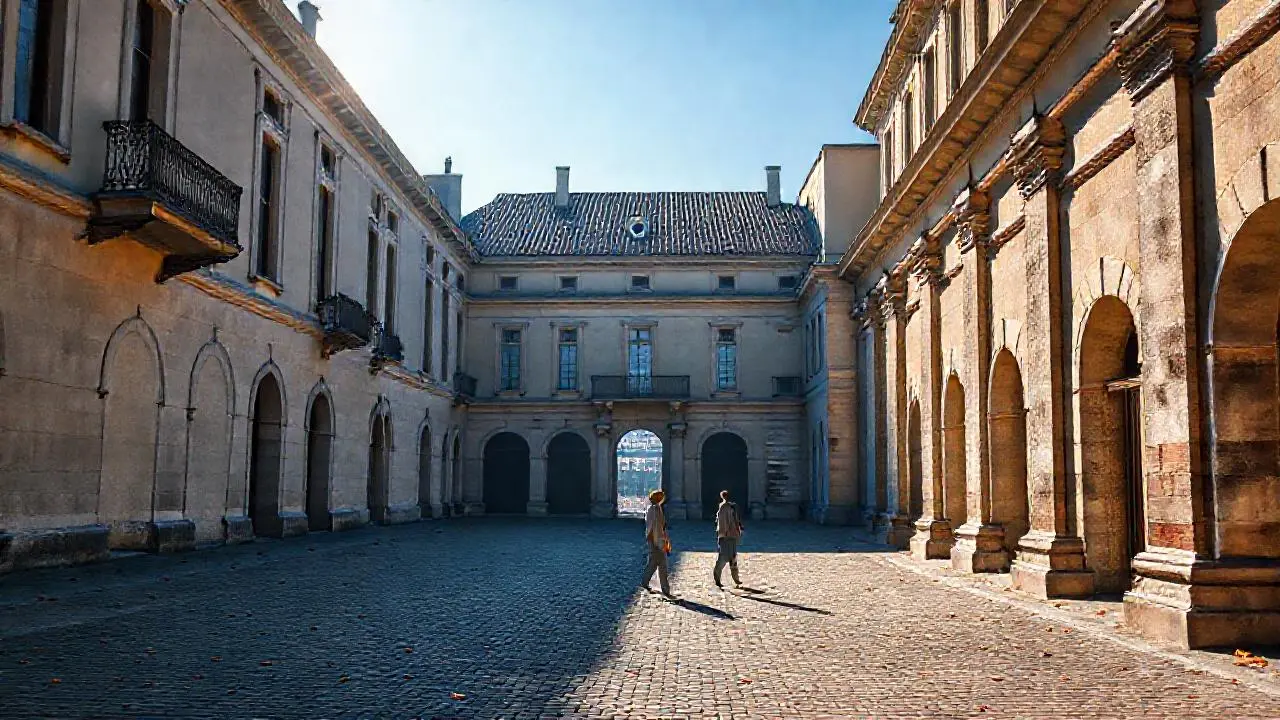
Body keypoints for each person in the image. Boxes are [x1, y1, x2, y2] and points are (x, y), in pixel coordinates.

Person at [640, 489, 674, 598]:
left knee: (653, 564)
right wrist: (656, 543)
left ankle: (645, 582)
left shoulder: (657, 508)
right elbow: (651, 528)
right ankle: (665, 590)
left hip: (659, 540)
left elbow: (660, 526)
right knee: (662, 565)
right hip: (656, 541)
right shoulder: (653, 509)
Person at [714, 490, 743, 588]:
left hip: (732, 535)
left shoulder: (732, 507)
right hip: (726, 536)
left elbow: (736, 520)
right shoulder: (723, 507)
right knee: (723, 558)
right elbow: (722, 523)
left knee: (733, 558)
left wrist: (738, 530)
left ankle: (736, 579)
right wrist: (722, 535)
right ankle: (717, 578)